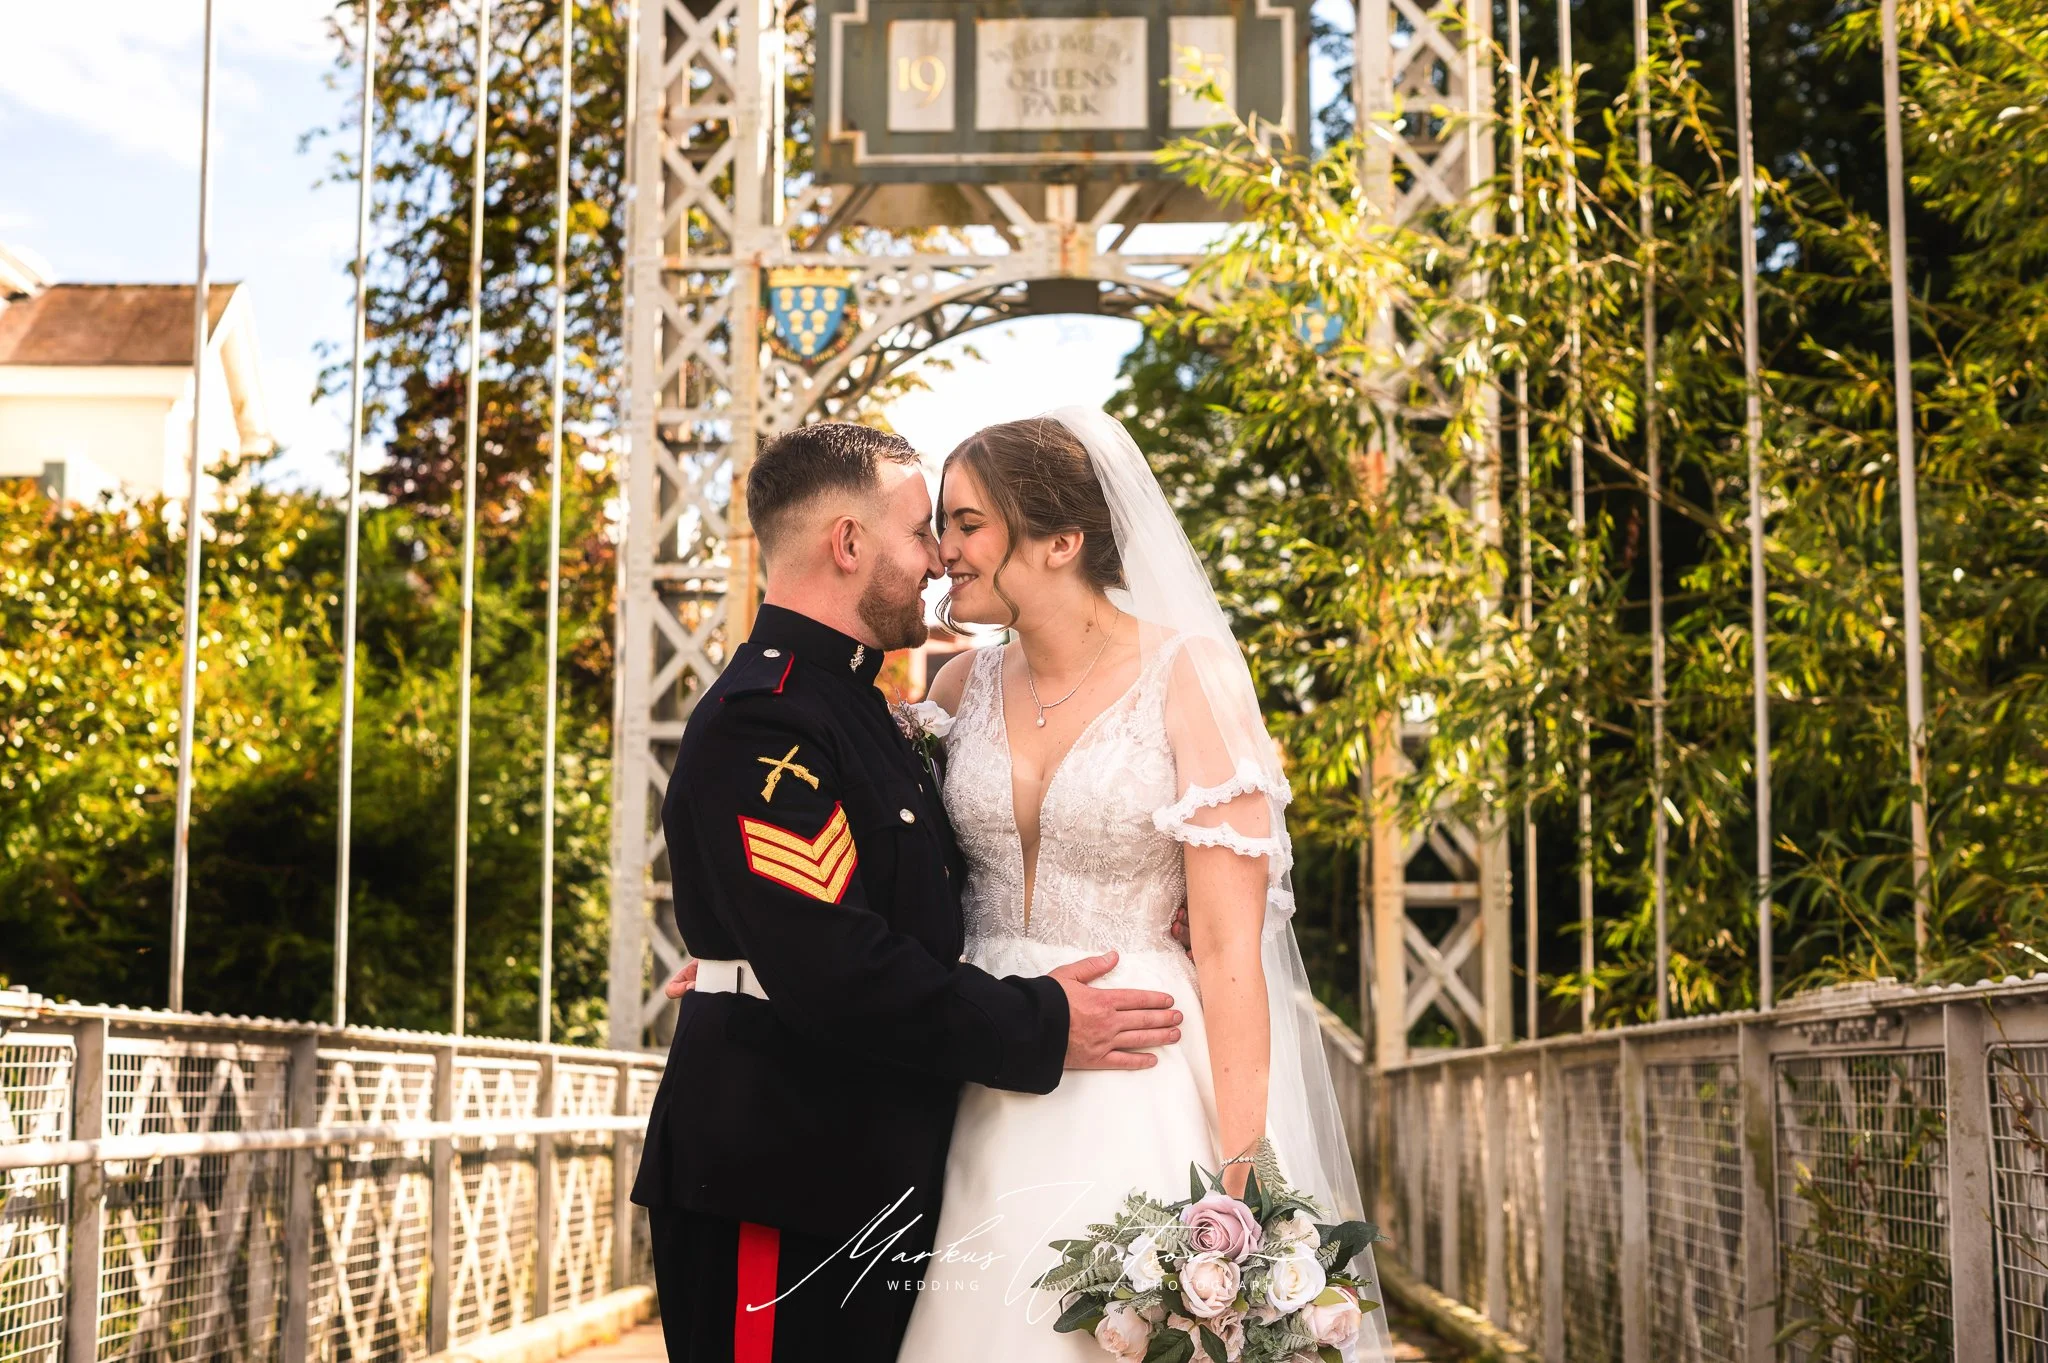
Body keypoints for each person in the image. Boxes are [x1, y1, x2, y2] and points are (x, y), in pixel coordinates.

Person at [628, 421, 1187, 1363]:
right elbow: (835, 965)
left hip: (876, 1171)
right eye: (921, 531)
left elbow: (914, 900)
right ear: (848, 546)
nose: (938, 559)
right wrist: (1043, 1022)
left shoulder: (868, 712)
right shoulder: (767, 719)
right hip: (778, 1171)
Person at [894, 409, 1393, 1362]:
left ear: (1059, 540)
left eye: (965, 524)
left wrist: (1238, 1190)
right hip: (975, 1058)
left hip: (1139, 1067)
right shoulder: (957, 687)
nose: (940, 550)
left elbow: (1227, 948)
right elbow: (888, 869)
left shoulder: (1188, 676)